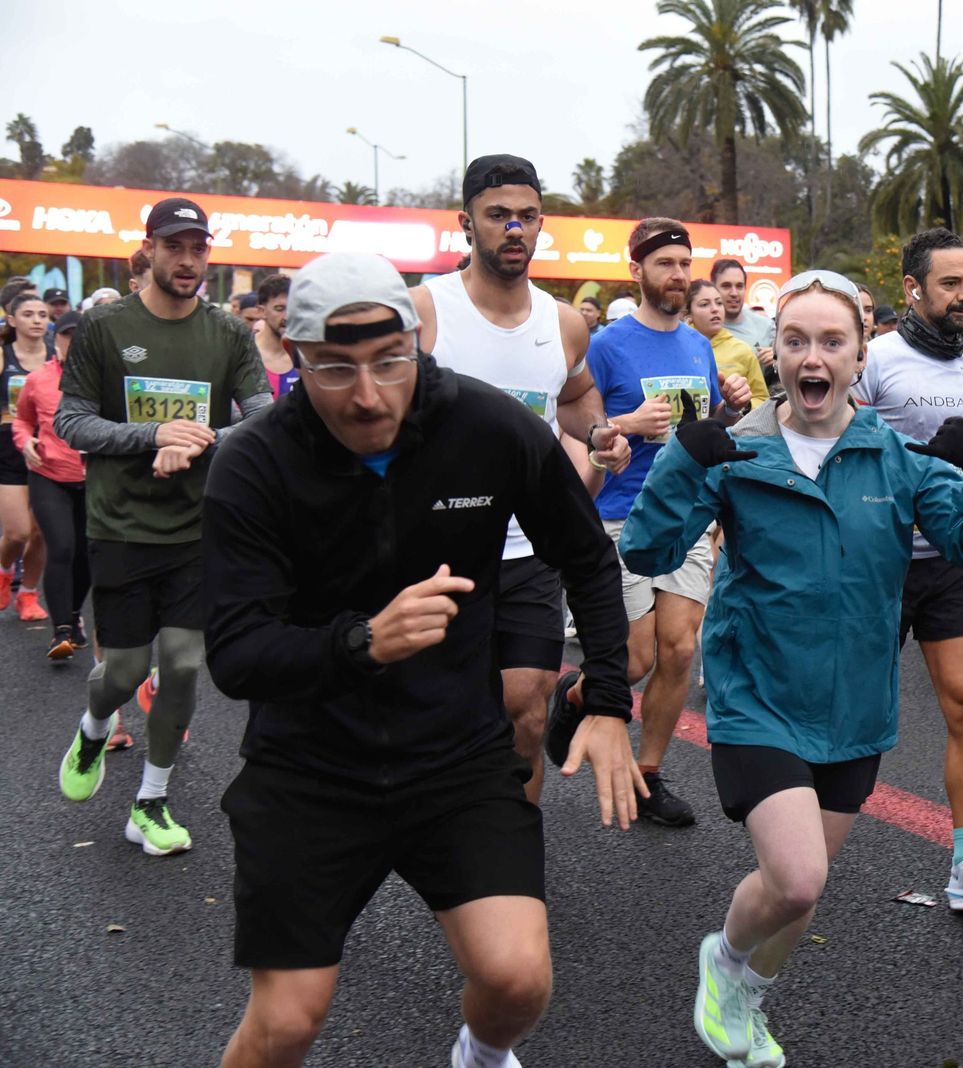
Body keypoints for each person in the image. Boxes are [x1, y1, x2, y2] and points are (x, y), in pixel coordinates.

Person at [201, 251, 637, 1068]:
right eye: (336, 370)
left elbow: (585, 556)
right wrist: (363, 641)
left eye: (389, 362)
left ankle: (478, 1054)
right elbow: (236, 654)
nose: (368, 395)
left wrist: (608, 700)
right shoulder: (253, 461)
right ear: (295, 359)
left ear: (416, 343)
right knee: (287, 1024)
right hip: (309, 770)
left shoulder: (488, 426)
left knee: (517, 980)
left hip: (455, 757)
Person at [617, 269, 963, 1065]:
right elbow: (647, 550)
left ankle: (747, 997)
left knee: (800, 893)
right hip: (757, 698)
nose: (813, 356)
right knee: (796, 879)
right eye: (796, 340)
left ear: (859, 356)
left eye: (832, 341)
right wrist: (682, 467)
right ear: (775, 355)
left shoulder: (895, 459)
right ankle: (723, 962)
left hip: (855, 711)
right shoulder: (738, 456)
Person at [54, 197, 273, 856]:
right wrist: (153, 435)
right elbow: (72, 422)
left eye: (198, 248)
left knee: (181, 664)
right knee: (122, 671)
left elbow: (265, 416)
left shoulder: (228, 333)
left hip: (197, 527)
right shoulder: (104, 328)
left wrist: (203, 441)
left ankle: (150, 800)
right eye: (174, 246)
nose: (187, 260)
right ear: (147, 249)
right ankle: (95, 726)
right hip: (120, 525)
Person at [412, 154, 631, 805]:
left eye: (528, 217)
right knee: (439, 713)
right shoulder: (424, 312)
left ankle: (511, 850)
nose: (515, 229)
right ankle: (447, 828)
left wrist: (596, 434)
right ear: (466, 223)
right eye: (499, 215)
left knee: (526, 708)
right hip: (438, 547)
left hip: (527, 547)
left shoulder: (561, 323)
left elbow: (577, 393)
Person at [551, 219, 751, 827]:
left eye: (685, 264)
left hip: (686, 515)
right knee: (634, 659)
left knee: (679, 648)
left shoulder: (697, 344)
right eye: (665, 264)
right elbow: (574, 424)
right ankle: (573, 697)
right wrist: (624, 426)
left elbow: (696, 425)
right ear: (636, 272)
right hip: (620, 514)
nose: (679, 276)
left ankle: (650, 776)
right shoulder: (607, 344)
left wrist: (728, 406)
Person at [852, 227, 963, 911]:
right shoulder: (877, 359)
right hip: (880, 559)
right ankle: (799, 839)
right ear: (913, 288)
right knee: (854, 709)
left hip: (951, 560)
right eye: (950, 282)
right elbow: (843, 442)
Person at [13, 309, 90, 659]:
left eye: (79, 336)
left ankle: (73, 616)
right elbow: (23, 420)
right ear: (56, 338)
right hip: (49, 475)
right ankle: (60, 630)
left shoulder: (104, 378)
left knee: (87, 556)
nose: (72, 342)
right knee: (61, 547)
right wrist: (24, 441)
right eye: (66, 335)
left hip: (93, 478)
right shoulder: (38, 379)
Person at [0, 292, 50, 620]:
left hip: (48, 448)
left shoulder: (58, 357)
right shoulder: (4, 356)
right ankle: (5, 572)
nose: (37, 320)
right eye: (29, 314)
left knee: (42, 531)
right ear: (13, 319)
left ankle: (29, 594)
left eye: (42, 315)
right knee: (17, 532)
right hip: (7, 449)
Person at [687, 278, 770, 405]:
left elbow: (762, 398)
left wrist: (742, 406)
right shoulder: (678, 348)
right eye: (704, 304)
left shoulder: (742, 350)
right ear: (688, 313)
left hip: (733, 424)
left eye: (719, 303)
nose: (715, 309)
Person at [715, 258, 778, 398]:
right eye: (726, 286)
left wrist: (777, 359)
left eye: (739, 286)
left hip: (754, 410)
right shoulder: (700, 328)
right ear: (713, 288)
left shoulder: (766, 326)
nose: (734, 293)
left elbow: (784, 372)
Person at [251, 274, 298, 399]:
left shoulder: (306, 356)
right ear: (261, 311)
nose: (287, 316)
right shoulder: (243, 352)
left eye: (292, 308)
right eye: (279, 309)